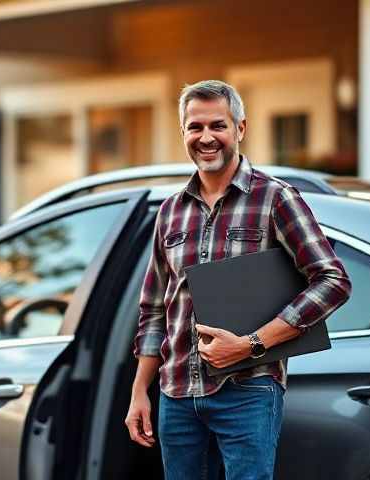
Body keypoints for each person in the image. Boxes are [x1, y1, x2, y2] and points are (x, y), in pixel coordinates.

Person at [125, 80, 352, 480]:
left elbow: (332, 280)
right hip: (176, 392)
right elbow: (154, 308)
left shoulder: (275, 198)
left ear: (240, 129)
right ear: (183, 134)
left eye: (218, 125)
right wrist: (140, 391)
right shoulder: (170, 212)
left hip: (248, 392)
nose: (206, 137)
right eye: (195, 127)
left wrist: (251, 344)